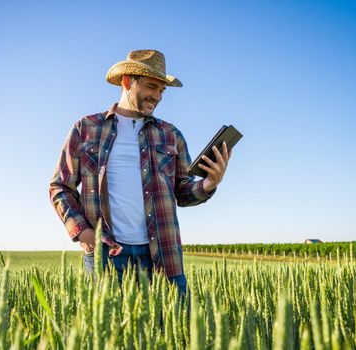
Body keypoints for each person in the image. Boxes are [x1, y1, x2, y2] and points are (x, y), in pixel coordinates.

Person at [49, 49, 231, 295]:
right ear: (127, 82)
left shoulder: (171, 134)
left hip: (162, 256)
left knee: (174, 331)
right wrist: (83, 232)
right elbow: (60, 186)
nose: (157, 96)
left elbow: (184, 192)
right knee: (108, 334)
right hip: (107, 255)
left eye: (162, 90)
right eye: (151, 86)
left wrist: (209, 184)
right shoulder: (86, 128)